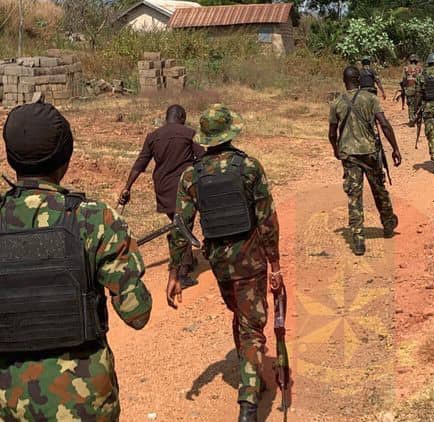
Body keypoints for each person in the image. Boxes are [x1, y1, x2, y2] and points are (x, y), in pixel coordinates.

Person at [0, 99, 152, 420]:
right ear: (65, 159)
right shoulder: (94, 219)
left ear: (12, 158)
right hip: (85, 404)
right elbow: (137, 312)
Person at [166, 104, 283, 422]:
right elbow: (267, 221)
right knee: (251, 327)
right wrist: (275, 264)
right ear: (231, 132)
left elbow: (181, 226)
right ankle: (248, 404)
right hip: (250, 260)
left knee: (241, 316)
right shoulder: (248, 167)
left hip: (218, 264)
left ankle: (251, 377)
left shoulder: (192, 174)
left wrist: (176, 271)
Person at [118, 103, 204, 287]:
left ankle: (187, 260)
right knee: (183, 225)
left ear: (167, 118)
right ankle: (181, 273)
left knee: (179, 222)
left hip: (163, 188)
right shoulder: (188, 133)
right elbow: (203, 157)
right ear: (181, 117)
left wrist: (127, 188)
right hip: (185, 187)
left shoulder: (153, 137)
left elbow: (139, 164)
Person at [329, 65, 402, 257]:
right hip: (369, 153)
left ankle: (358, 239)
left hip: (349, 156)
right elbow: (384, 124)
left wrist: (336, 150)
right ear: (359, 81)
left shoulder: (336, 103)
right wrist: (395, 148)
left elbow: (331, 133)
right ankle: (387, 224)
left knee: (354, 196)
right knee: (379, 188)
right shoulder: (370, 99)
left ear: (344, 82)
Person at [400, 54, 422, 125]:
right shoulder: (420, 69)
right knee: (418, 104)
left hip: (409, 89)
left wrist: (403, 87)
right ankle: (418, 118)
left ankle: (412, 119)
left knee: (410, 105)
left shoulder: (406, 68)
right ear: (416, 61)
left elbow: (403, 79)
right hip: (418, 89)